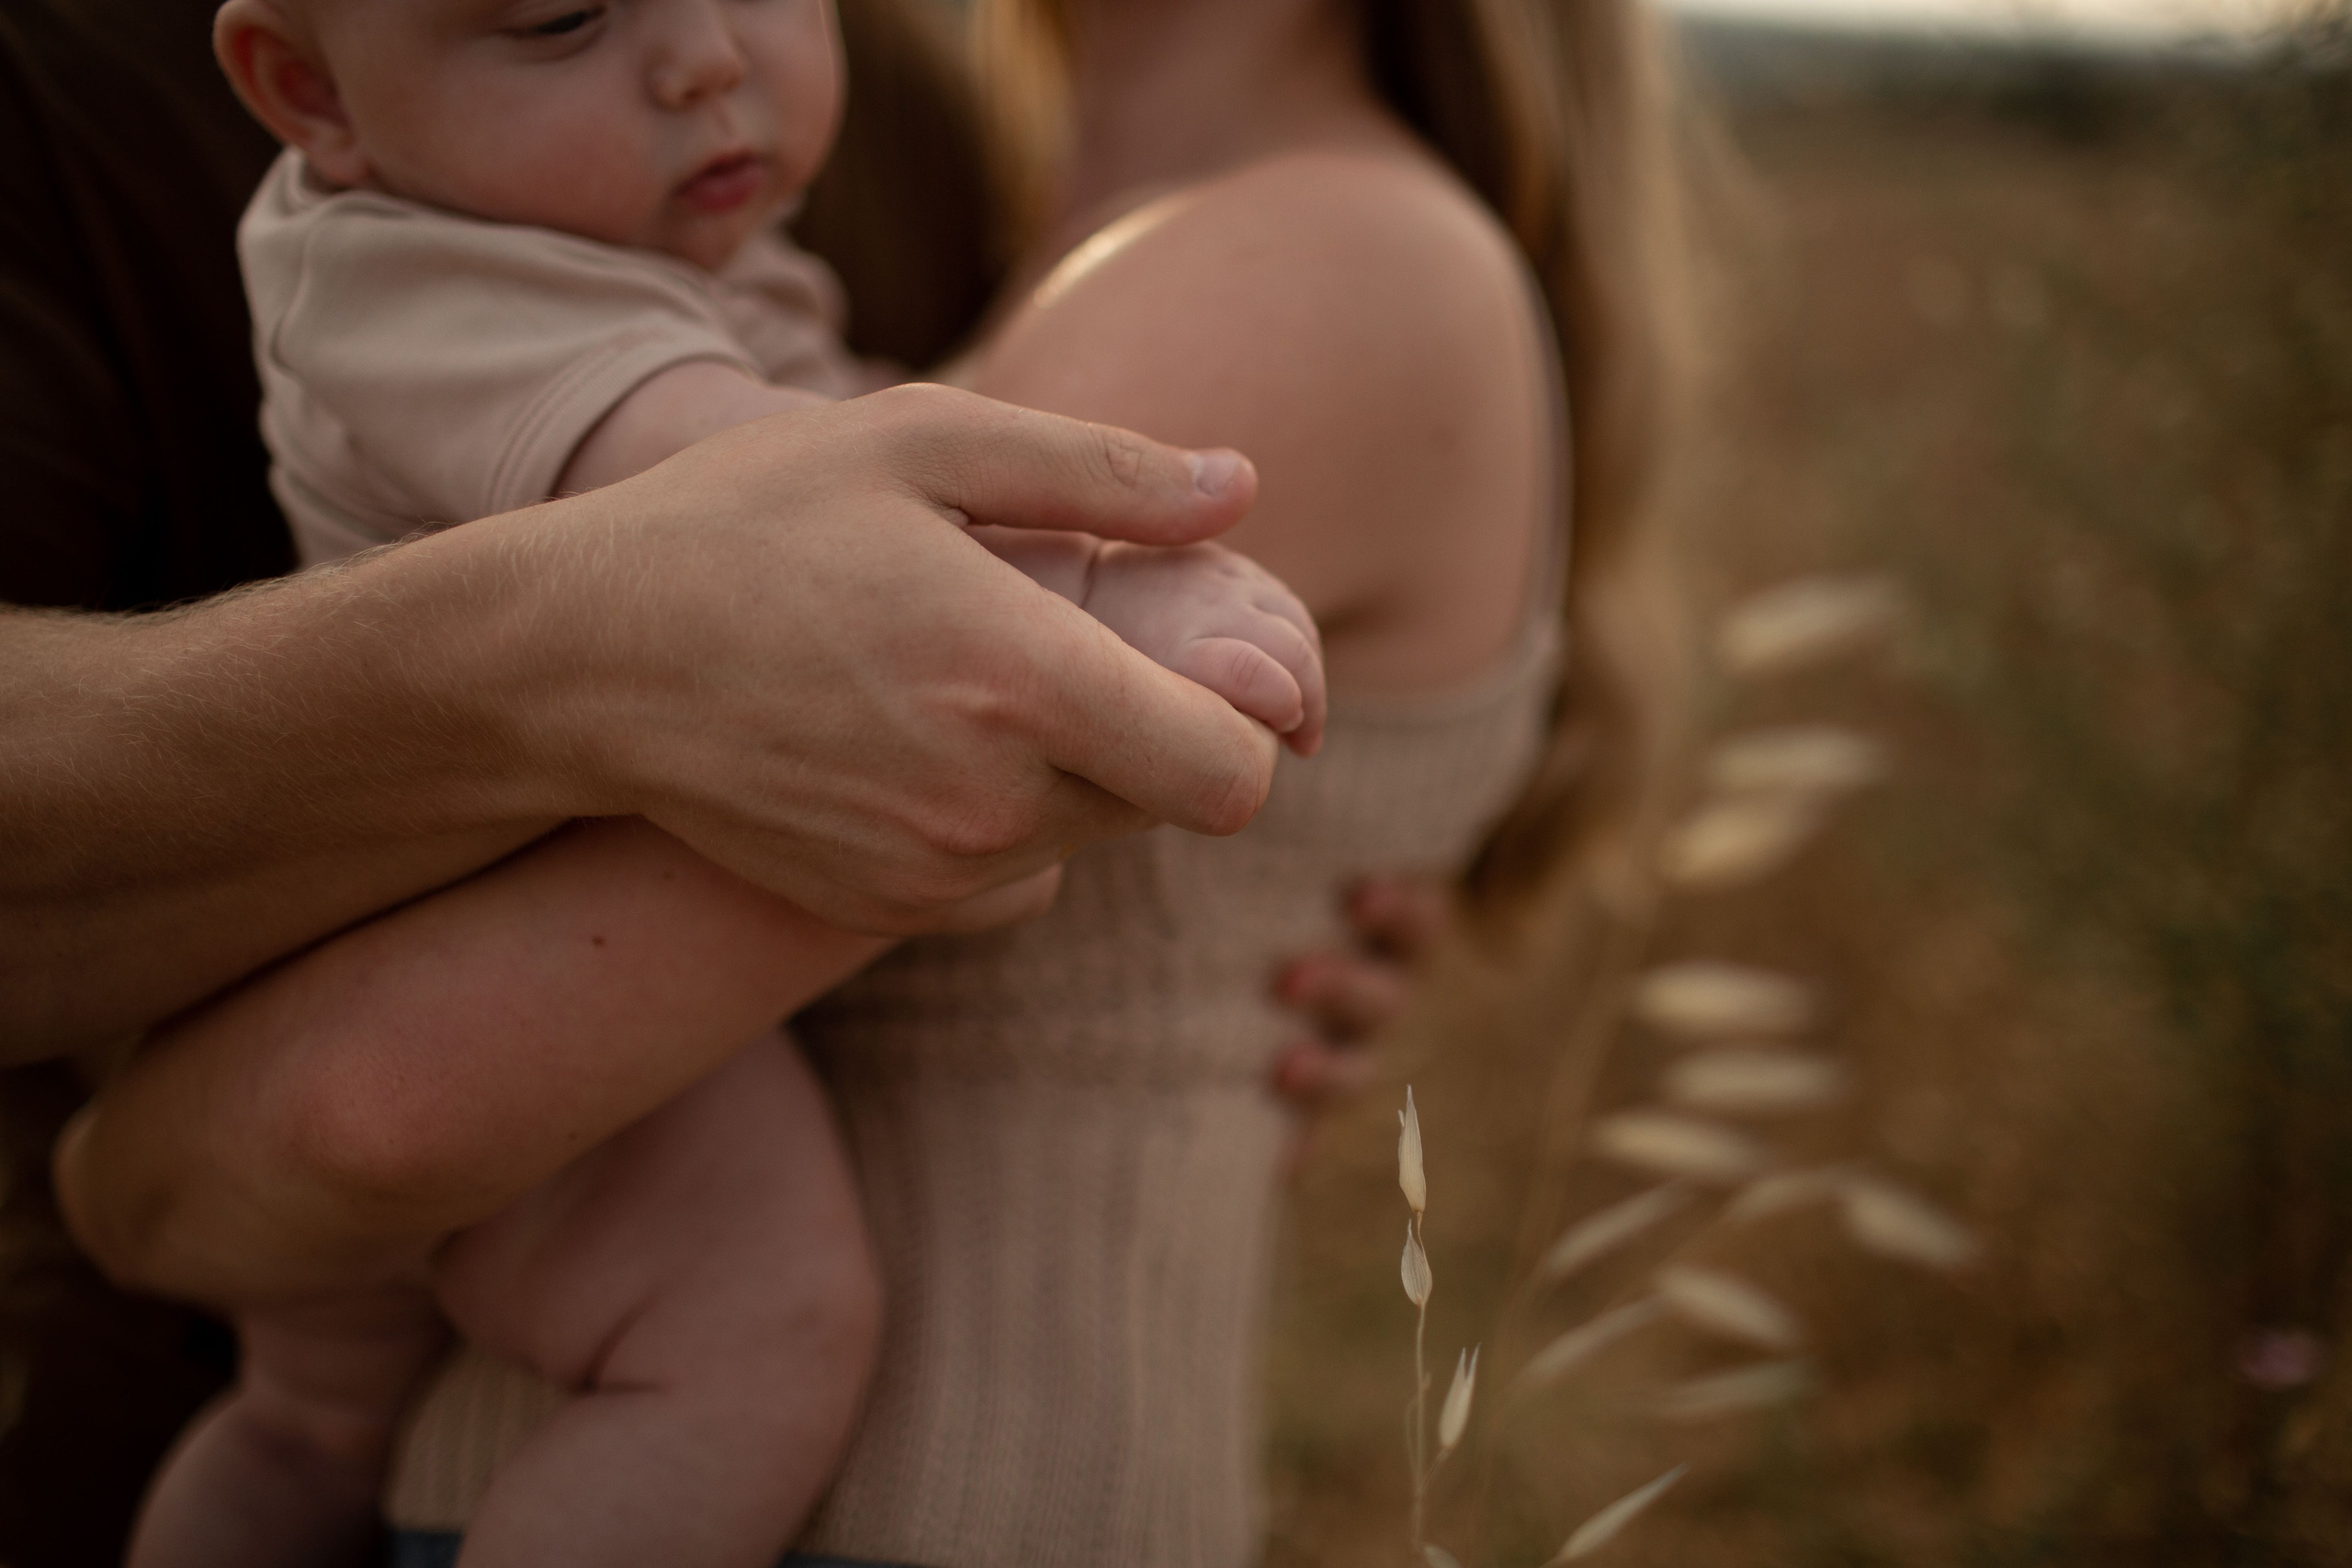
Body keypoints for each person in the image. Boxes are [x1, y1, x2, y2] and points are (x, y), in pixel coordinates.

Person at [62, 0, 1697, 1561]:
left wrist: (118, 1172)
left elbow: (369, 1106)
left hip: (886, 1512)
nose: (698, 54)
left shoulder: (1316, 258)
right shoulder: (909, 165)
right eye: (565, 18)